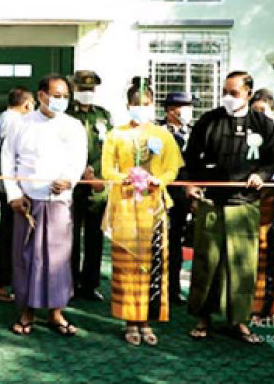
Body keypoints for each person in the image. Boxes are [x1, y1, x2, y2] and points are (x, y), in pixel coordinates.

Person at [184, 71, 274, 344]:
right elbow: (191, 157)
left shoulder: (262, 124)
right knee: (207, 262)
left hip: (244, 204)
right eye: (225, 92)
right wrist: (191, 183)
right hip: (211, 202)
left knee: (242, 266)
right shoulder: (209, 120)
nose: (228, 97)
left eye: (234, 93)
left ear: (248, 94)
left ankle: (240, 320)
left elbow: (271, 160)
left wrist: (261, 175)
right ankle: (203, 317)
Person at [3, 74, 87, 337]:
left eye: (65, 96)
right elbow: (8, 160)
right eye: (56, 96)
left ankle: (55, 313)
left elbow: (78, 160)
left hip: (59, 201)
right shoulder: (21, 124)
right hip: (28, 202)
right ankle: (27, 312)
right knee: (27, 257)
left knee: (58, 258)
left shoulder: (74, 126)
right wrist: (14, 195)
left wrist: (68, 180)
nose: (61, 101)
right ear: (41, 96)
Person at [102, 77, 182, 346]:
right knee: (127, 265)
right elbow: (107, 170)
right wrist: (125, 177)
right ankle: (129, 320)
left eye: (146, 104)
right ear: (128, 106)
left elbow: (172, 168)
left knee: (152, 264)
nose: (141, 109)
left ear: (153, 105)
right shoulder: (116, 134)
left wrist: (160, 180)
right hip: (125, 205)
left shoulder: (163, 135)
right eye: (136, 104)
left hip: (154, 207)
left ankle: (147, 320)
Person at [67, 70, 113, 302]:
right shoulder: (65, 115)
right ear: (74, 89)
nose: (87, 93)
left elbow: (110, 149)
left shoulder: (103, 116)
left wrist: (98, 176)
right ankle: (70, 281)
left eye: (90, 89)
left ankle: (90, 284)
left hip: (98, 186)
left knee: (95, 237)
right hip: (72, 183)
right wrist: (82, 170)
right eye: (82, 89)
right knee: (71, 237)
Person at [0, 87, 34, 304]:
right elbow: (13, 156)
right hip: (11, 189)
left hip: (8, 187)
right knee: (9, 237)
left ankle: (6, 282)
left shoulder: (5, 118)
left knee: (10, 235)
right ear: (27, 104)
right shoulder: (13, 121)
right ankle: (0, 284)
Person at [249, 88, 274, 319]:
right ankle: (253, 308)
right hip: (252, 204)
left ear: (273, 112)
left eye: (263, 111)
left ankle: (272, 309)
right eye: (255, 112)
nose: (260, 116)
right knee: (254, 258)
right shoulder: (245, 143)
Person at [159, 91, 194, 305]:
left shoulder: (192, 133)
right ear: (171, 110)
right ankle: (158, 287)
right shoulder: (158, 132)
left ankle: (173, 289)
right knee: (160, 242)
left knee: (176, 243)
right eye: (184, 107)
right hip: (163, 194)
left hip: (185, 196)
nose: (188, 112)